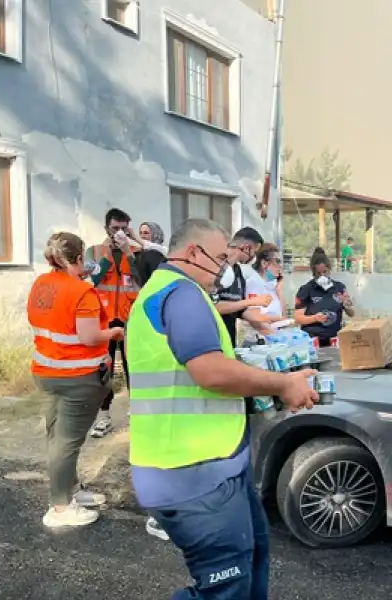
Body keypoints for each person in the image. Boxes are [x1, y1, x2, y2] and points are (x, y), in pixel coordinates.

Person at [125, 218, 320, 598]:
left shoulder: (172, 293)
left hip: (212, 463)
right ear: (194, 253)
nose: (224, 270)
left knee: (251, 561)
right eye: (219, 259)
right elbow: (210, 371)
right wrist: (282, 384)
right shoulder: (181, 294)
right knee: (225, 586)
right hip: (191, 473)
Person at [27, 232, 125, 528]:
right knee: (66, 443)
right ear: (79, 258)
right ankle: (60, 507)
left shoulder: (42, 284)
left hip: (47, 373)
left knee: (57, 436)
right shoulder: (81, 292)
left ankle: (70, 491)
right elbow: (90, 336)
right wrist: (115, 333)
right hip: (77, 376)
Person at [85, 208, 140, 438]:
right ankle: (104, 416)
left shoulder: (136, 251)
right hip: (104, 318)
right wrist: (109, 253)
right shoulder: (95, 251)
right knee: (104, 368)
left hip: (131, 317)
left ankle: (137, 413)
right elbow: (94, 278)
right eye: (115, 228)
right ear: (106, 227)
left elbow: (141, 276)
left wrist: (129, 251)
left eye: (123, 228)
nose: (119, 232)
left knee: (134, 366)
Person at [214, 226, 273, 346]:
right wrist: (251, 301)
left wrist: (268, 326)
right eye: (254, 253)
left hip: (229, 341)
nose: (254, 258)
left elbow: (240, 310)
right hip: (212, 339)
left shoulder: (237, 272)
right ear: (246, 248)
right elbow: (213, 307)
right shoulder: (216, 268)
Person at [293, 247, 356, 346]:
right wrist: (315, 318)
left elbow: (352, 313)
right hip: (313, 340)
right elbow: (297, 318)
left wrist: (346, 303)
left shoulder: (339, 287)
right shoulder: (305, 289)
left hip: (334, 340)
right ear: (313, 273)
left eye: (325, 272)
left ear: (329, 269)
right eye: (318, 274)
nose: (322, 276)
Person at [240, 242, 287, 344]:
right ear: (264, 263)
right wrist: (278, 320)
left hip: (274, 340)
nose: (280, 266)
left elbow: (284, 318)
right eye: (277, 261)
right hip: (258, 342)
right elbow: (255, 318)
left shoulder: (273, 285)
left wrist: (280, 292)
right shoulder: (253, 283)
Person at [134, 221, 168, 286]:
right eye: (140, 233)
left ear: (155, 234)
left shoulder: (161, 252)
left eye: (146, 233)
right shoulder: (138, 253)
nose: (142, 236)